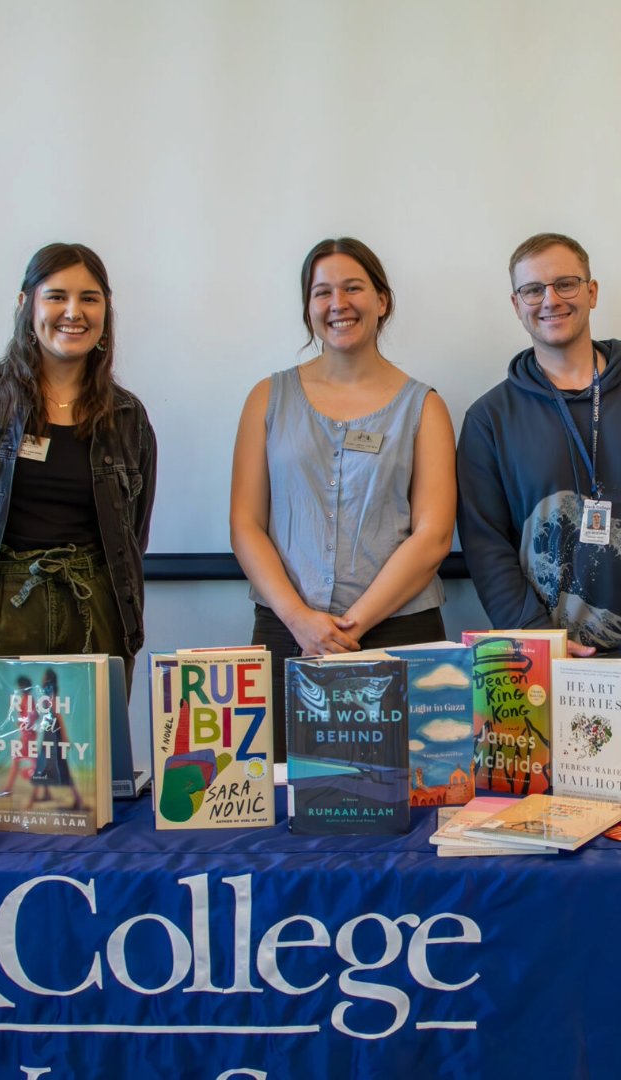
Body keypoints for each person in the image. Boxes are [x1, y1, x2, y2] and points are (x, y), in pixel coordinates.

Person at [230, 237, 456, 759]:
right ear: (308, 308)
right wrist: (299, 620)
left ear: (383, 300)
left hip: (400, 635)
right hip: (288, 635)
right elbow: (245, 523)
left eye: (353, 288)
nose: (338, 304)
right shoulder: (267, 398)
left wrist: (345, 631)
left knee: (405, 816)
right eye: (322, 292)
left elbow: (434, 534)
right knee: (289, 812)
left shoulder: (426, 407)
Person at [0, 243, 156, 692]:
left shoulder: (127, 417)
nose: (73, 311)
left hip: (95, 614)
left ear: (105, 312)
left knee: (86, 762)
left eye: (89, 298)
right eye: (56, 296)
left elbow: (134, 530)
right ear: (26, 305)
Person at [457, 231, 621, 656]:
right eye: (533, 290)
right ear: (516, 305)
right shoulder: (489, 419)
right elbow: (485, 545)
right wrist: (537, 636)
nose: (551, 300)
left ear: (591, 292)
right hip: (551, 656)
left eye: (566, 284)